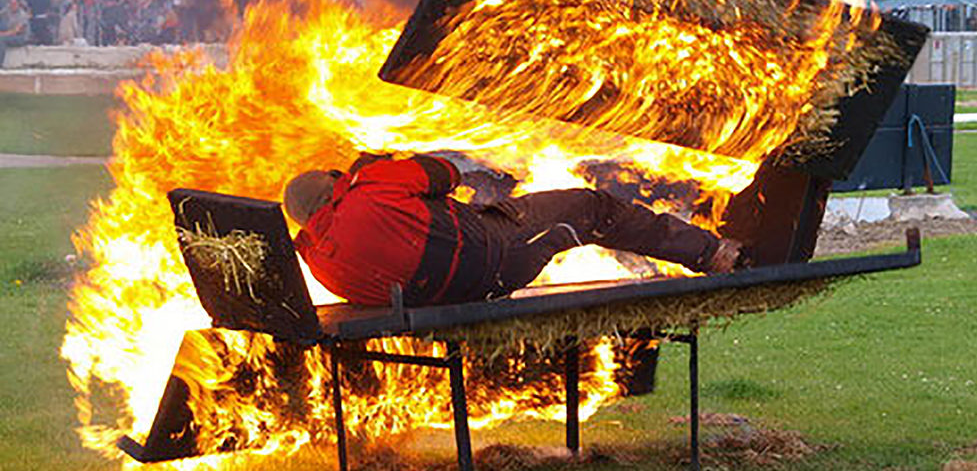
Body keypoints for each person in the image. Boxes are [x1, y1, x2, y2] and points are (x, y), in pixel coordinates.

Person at [283, 153, 742, 307]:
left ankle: (707, 252)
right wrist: (385, 167)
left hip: (453, 290)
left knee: (505, 212)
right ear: (331, 185)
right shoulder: (369, 187)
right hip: (499, 260)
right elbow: (446, 174)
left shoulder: (318, 262)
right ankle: (712, 253)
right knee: (591, 209)